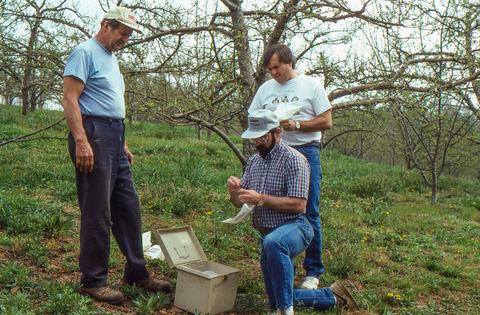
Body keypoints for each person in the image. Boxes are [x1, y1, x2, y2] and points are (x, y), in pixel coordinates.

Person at [62, 7, 170, 304]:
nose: (125, 38)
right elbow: (70, 98)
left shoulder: (111, 59)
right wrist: (82, 141)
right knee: (98, 211)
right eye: (122, 32)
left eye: (129, 34)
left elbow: (108, 101)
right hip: (93, 133)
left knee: (128, 207)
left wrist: (121, 143)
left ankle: (137, 272)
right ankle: (92, 280)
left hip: (113, 135)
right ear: (105, 25)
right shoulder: (85, 52)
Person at [227, 110, 357, 315]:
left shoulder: (295, 160)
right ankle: (332, 296)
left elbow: (299, 205)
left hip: (296, 227)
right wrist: (234, 193)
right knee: (276, 296)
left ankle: (286, 311)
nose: (257, 143)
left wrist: (260, 198)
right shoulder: (254, 162)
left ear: (277, 133)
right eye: (254, 138)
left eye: (262, 137)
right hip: (268, 235)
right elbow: (239, 203)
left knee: (274, 244)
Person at [248, 44, 333, 290]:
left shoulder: (311, 85)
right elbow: (253, 118)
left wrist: (296, 125)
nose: (273, 72)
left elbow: (326, 121)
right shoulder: (265, 89)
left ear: (289, 63)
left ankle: (313, 272)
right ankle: (283, 263)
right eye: (269, 69)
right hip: (274, 152)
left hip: (305, 149)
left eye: (277, 67)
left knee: (308, 209)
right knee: (277, 209)